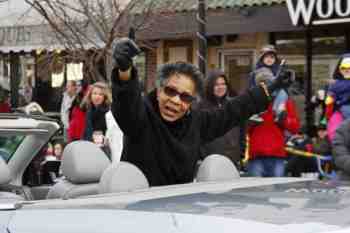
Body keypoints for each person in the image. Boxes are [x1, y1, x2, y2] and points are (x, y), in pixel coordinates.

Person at [110, 38, 292, 186]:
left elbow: (233, 110)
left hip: (181, 215)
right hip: (137, 215)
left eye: (185, 97)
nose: (175, 100)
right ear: (158, 90)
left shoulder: (196, 123)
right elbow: (126, 103)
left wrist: (271, 88)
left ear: (191, 102)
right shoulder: (140, 116)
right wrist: (124, 69)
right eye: (170, 91)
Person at [245, 46, 300, 177]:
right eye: (262, 82)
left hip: (277, 154)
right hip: (256, 155)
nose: (265, 85)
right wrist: (249, 121)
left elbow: (294, 127)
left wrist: (283, 119)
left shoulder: (282, 97)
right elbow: (241, 128)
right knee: (255, 194)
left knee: (277, 194)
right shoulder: (250, 99)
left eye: (272, 57)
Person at [197, 70, 241, 165]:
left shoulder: (233, 104)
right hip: (209, 162)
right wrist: (201, 155)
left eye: (223, 84)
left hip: (232, 161)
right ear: (210, 86)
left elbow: (242, 129)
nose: (220, 87)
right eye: (216, 85)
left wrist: (240, 154)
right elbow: (195, 134)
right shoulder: (200, 107)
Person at [248, 45, 289, 123]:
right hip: (262, 95)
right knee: (282, 92)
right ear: (262, 58)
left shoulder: (275, 70)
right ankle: (276, 111)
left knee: (283, 92)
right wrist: (281, 68)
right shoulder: (260, 70)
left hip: (270, 96)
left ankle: (278, 111)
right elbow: (273, 81)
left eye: (272, 57)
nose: (269, 59)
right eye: (266, 57)